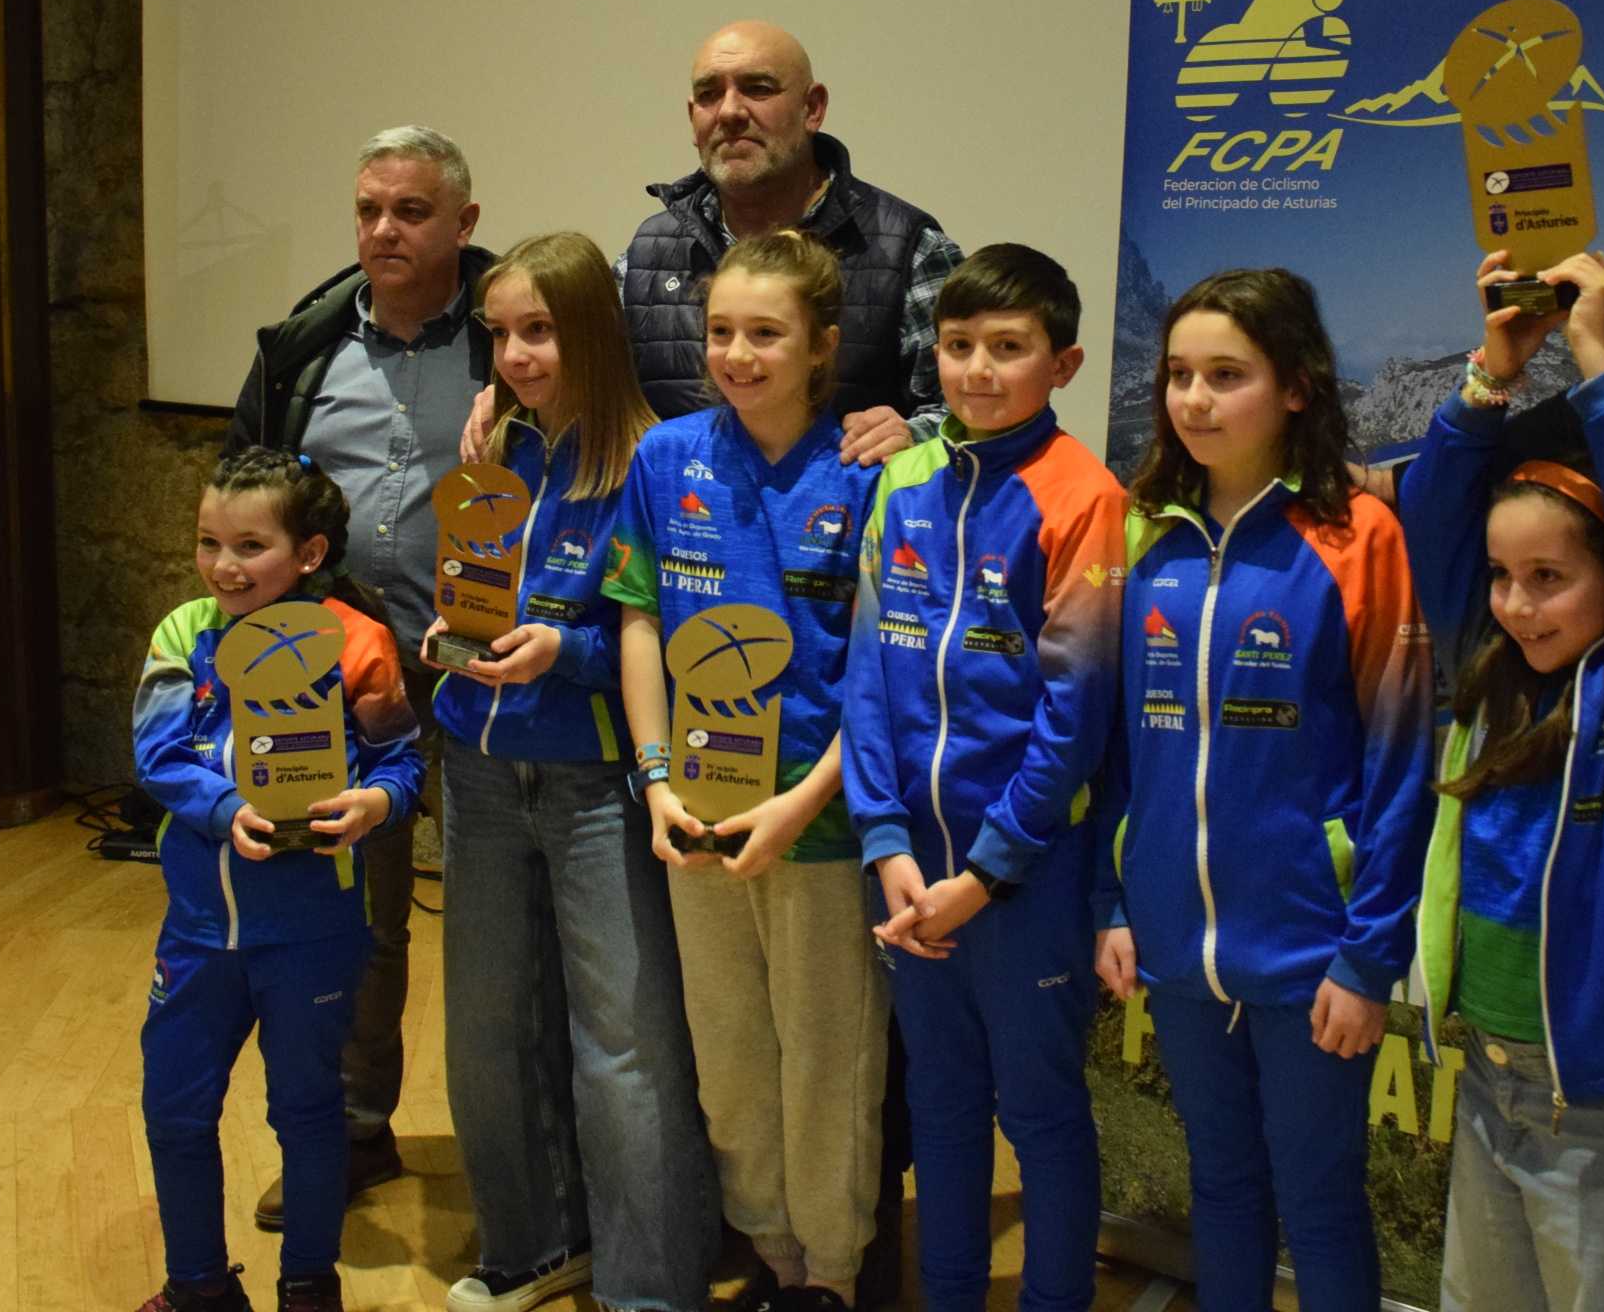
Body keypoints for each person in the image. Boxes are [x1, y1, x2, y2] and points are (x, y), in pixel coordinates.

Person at [1091, 267, 1425, 1312]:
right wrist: (1113, 903)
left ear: (1296, 386)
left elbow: (1400, 757)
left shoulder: (1359, 540)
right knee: (1220, 1186)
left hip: (1310, 946)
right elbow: (1114, 753)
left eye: (1225, 373)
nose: (1193, 398)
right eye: (1178, 374)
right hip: (1176, 942)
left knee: (1319, 1197)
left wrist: (1369, 953)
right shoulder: (1143, 533)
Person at [1401, 251, 1604, 1310]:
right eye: (1500, 576)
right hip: (1490, 1077)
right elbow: (1432, 514)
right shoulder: (1486, 678)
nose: (1518, 604)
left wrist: (1592, 351)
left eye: (1551, 578)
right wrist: (1492, 372)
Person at [425, 232, 719, 1312]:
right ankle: (532, 1240)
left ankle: (649, 1281)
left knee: (624, 1045)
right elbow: (477, 589)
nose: (515, 355)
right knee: (488, 1029)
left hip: (599, 783)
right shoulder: (493, 449)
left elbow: (663, 632)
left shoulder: (651, 456)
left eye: (538, 330)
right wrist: (450, 646)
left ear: (590, 326)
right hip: (483, 772)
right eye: (498, 333)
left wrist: (570, 651)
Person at [607, 230, 892, 1311]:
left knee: (827, 1066)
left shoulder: (869, 473)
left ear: (821, 345)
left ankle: (830, 1272)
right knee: (727, 1063)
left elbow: (878, 677)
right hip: (696, 816)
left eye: (765, 332)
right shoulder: (667, 456)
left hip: (818, 825)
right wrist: (654, 779)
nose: (736, 352)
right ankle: (773, 1258)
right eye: (721, 330)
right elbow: (637, 614)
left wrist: (802, 800)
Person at [842, 243, 1125, 1312]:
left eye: (1007, 348)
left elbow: (1074, 713)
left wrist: (990, 867)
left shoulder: (1085, 494)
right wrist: (885, 843)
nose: (976, 370)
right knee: (945, 1106)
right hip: (910, 871)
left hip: (1025, 877)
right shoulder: (908, 481)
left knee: (1042, 1113)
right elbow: (868, 672)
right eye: (958, 346)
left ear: (1063, 361)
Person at [224, 125, 489, 1227]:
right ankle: (352, 1133)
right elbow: (246, 498)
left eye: (412, 212)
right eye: (370, 210)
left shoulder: (514, 339)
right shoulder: (305, 344)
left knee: (496, 916)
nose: (384, 230)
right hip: (342, 678)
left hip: (490, 671)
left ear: (463, 224)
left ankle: (519, 1154)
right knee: (358, 915)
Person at [132, 448, 424, 1312]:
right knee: (175, 1111)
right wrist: (225, 811)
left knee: (305, 1112)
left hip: (314, 934)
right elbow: (157, 755)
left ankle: (308, 1285)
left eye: (251, 545)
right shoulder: (183, 634)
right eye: (208, 541)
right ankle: (197, 1288)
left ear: (308, 552)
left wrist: (374, 801)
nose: (224, 565)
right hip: (197, 935)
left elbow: (401, 764)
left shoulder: (359, 641)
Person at [621, 21, 962, 465]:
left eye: (757, 88)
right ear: (692, 119)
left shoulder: (907, 249)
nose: (728, 112)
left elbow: (981, 414)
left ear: (813, 108)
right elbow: (584, 402)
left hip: (851, 528)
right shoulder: (647, 255)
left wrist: (915, 437)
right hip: (684, 527)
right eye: (708, 95)